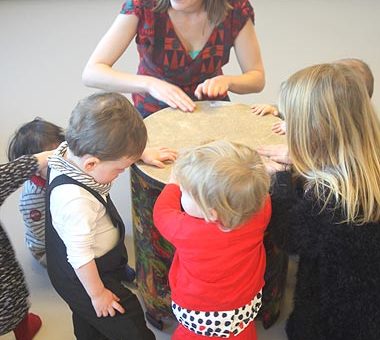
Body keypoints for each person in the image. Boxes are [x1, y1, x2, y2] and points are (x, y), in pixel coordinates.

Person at [258, 63, 380, 339]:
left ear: (317, 131)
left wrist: (280, 180)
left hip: (334, 315)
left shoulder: (332, 199)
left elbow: (288, 235)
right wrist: (307, 163)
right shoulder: (366, 164)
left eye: (292, 122)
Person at [45, 92, 177, 339]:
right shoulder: (75, 201)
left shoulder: (69, 153)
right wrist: (97, 294)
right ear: (92, 164)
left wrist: (139, 153)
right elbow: (80, 255)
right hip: (86, 275)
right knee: (128, 321)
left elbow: (108, 147)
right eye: (120, 168)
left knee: (90, 319)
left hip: (82, 266)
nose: (121, 173)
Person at [153, 140, 272, 340]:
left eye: (186, 193)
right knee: (242, 333)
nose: (182, 192)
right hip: (245, 307)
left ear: (211, 212)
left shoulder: (187, 231)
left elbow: (162, 213)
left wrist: (174, 183)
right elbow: (262, 195)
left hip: (197, 315)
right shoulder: (259, 213)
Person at [82, 0, 265, 118]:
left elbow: (257, 78)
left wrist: (228, 81)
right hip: (154, 115)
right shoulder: (142, 6)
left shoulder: (235, 10)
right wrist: (150, 84)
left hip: (210, 112)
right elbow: (92, 72)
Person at [1, 150, 51, 339]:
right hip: (42, 249)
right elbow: (9, 174)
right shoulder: (32, 198)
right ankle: (24, 332)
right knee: (12, 300)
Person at [252, 57, 375, 135]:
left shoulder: (348, 130)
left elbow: (319, 133)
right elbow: (304, 113)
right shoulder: (326, 113)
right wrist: (278, 112)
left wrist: (295, 130)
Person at [7, 117, 65, 267]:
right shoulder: (33, 198)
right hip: (46, 247)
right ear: (33, 169)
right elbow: (41, 233)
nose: (62, 164)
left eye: (62, 154)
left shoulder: (58, 174)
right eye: (51, 161)